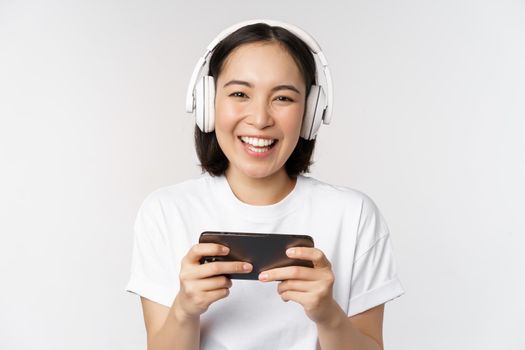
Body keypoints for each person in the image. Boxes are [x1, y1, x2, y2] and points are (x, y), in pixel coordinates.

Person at [125, 19, 404, 350]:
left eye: (283, 98)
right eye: (240, 93)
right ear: (207, 104)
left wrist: (327, 315)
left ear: (311, 113)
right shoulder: (165, 212)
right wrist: (185, 310)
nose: (260, 118)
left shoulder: (354, 215)